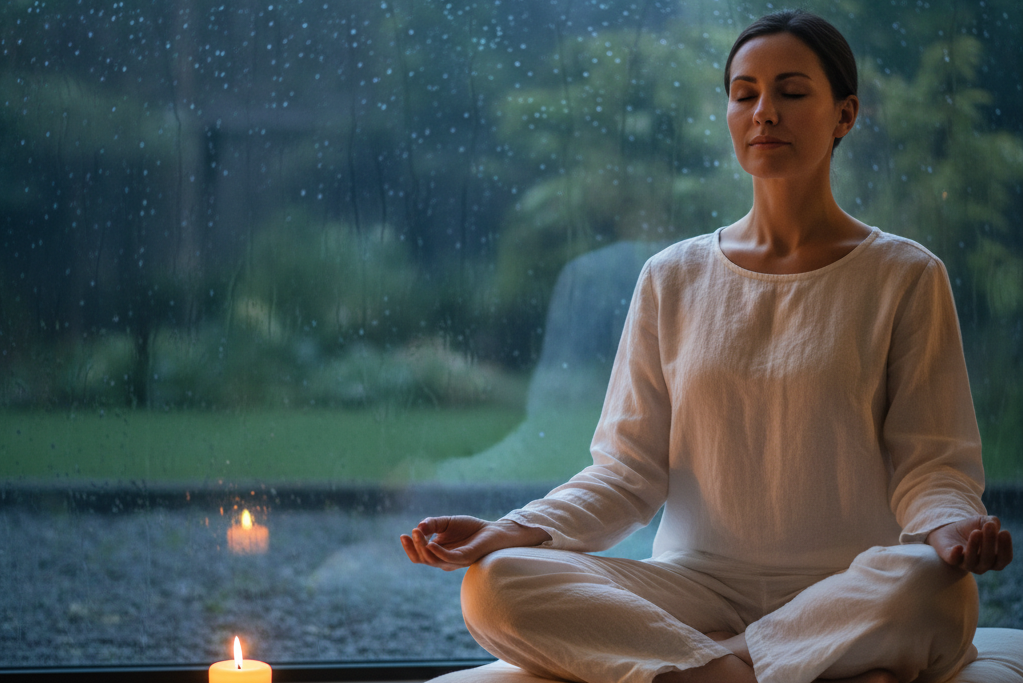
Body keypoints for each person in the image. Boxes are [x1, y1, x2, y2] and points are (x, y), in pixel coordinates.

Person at [400, 10, 1014, 683]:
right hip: (695, 592)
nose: (764, 113)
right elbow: (626, 473)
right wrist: (509, 531)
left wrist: (952, 526)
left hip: (849, 586)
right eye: (744, 93)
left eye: (791, 91)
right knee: (496, 583)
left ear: (844, 115)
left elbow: (932, 464)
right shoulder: (673, 275)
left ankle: (721, 663)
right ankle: (752, 665)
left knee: (937, 585)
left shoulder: (905, 275)